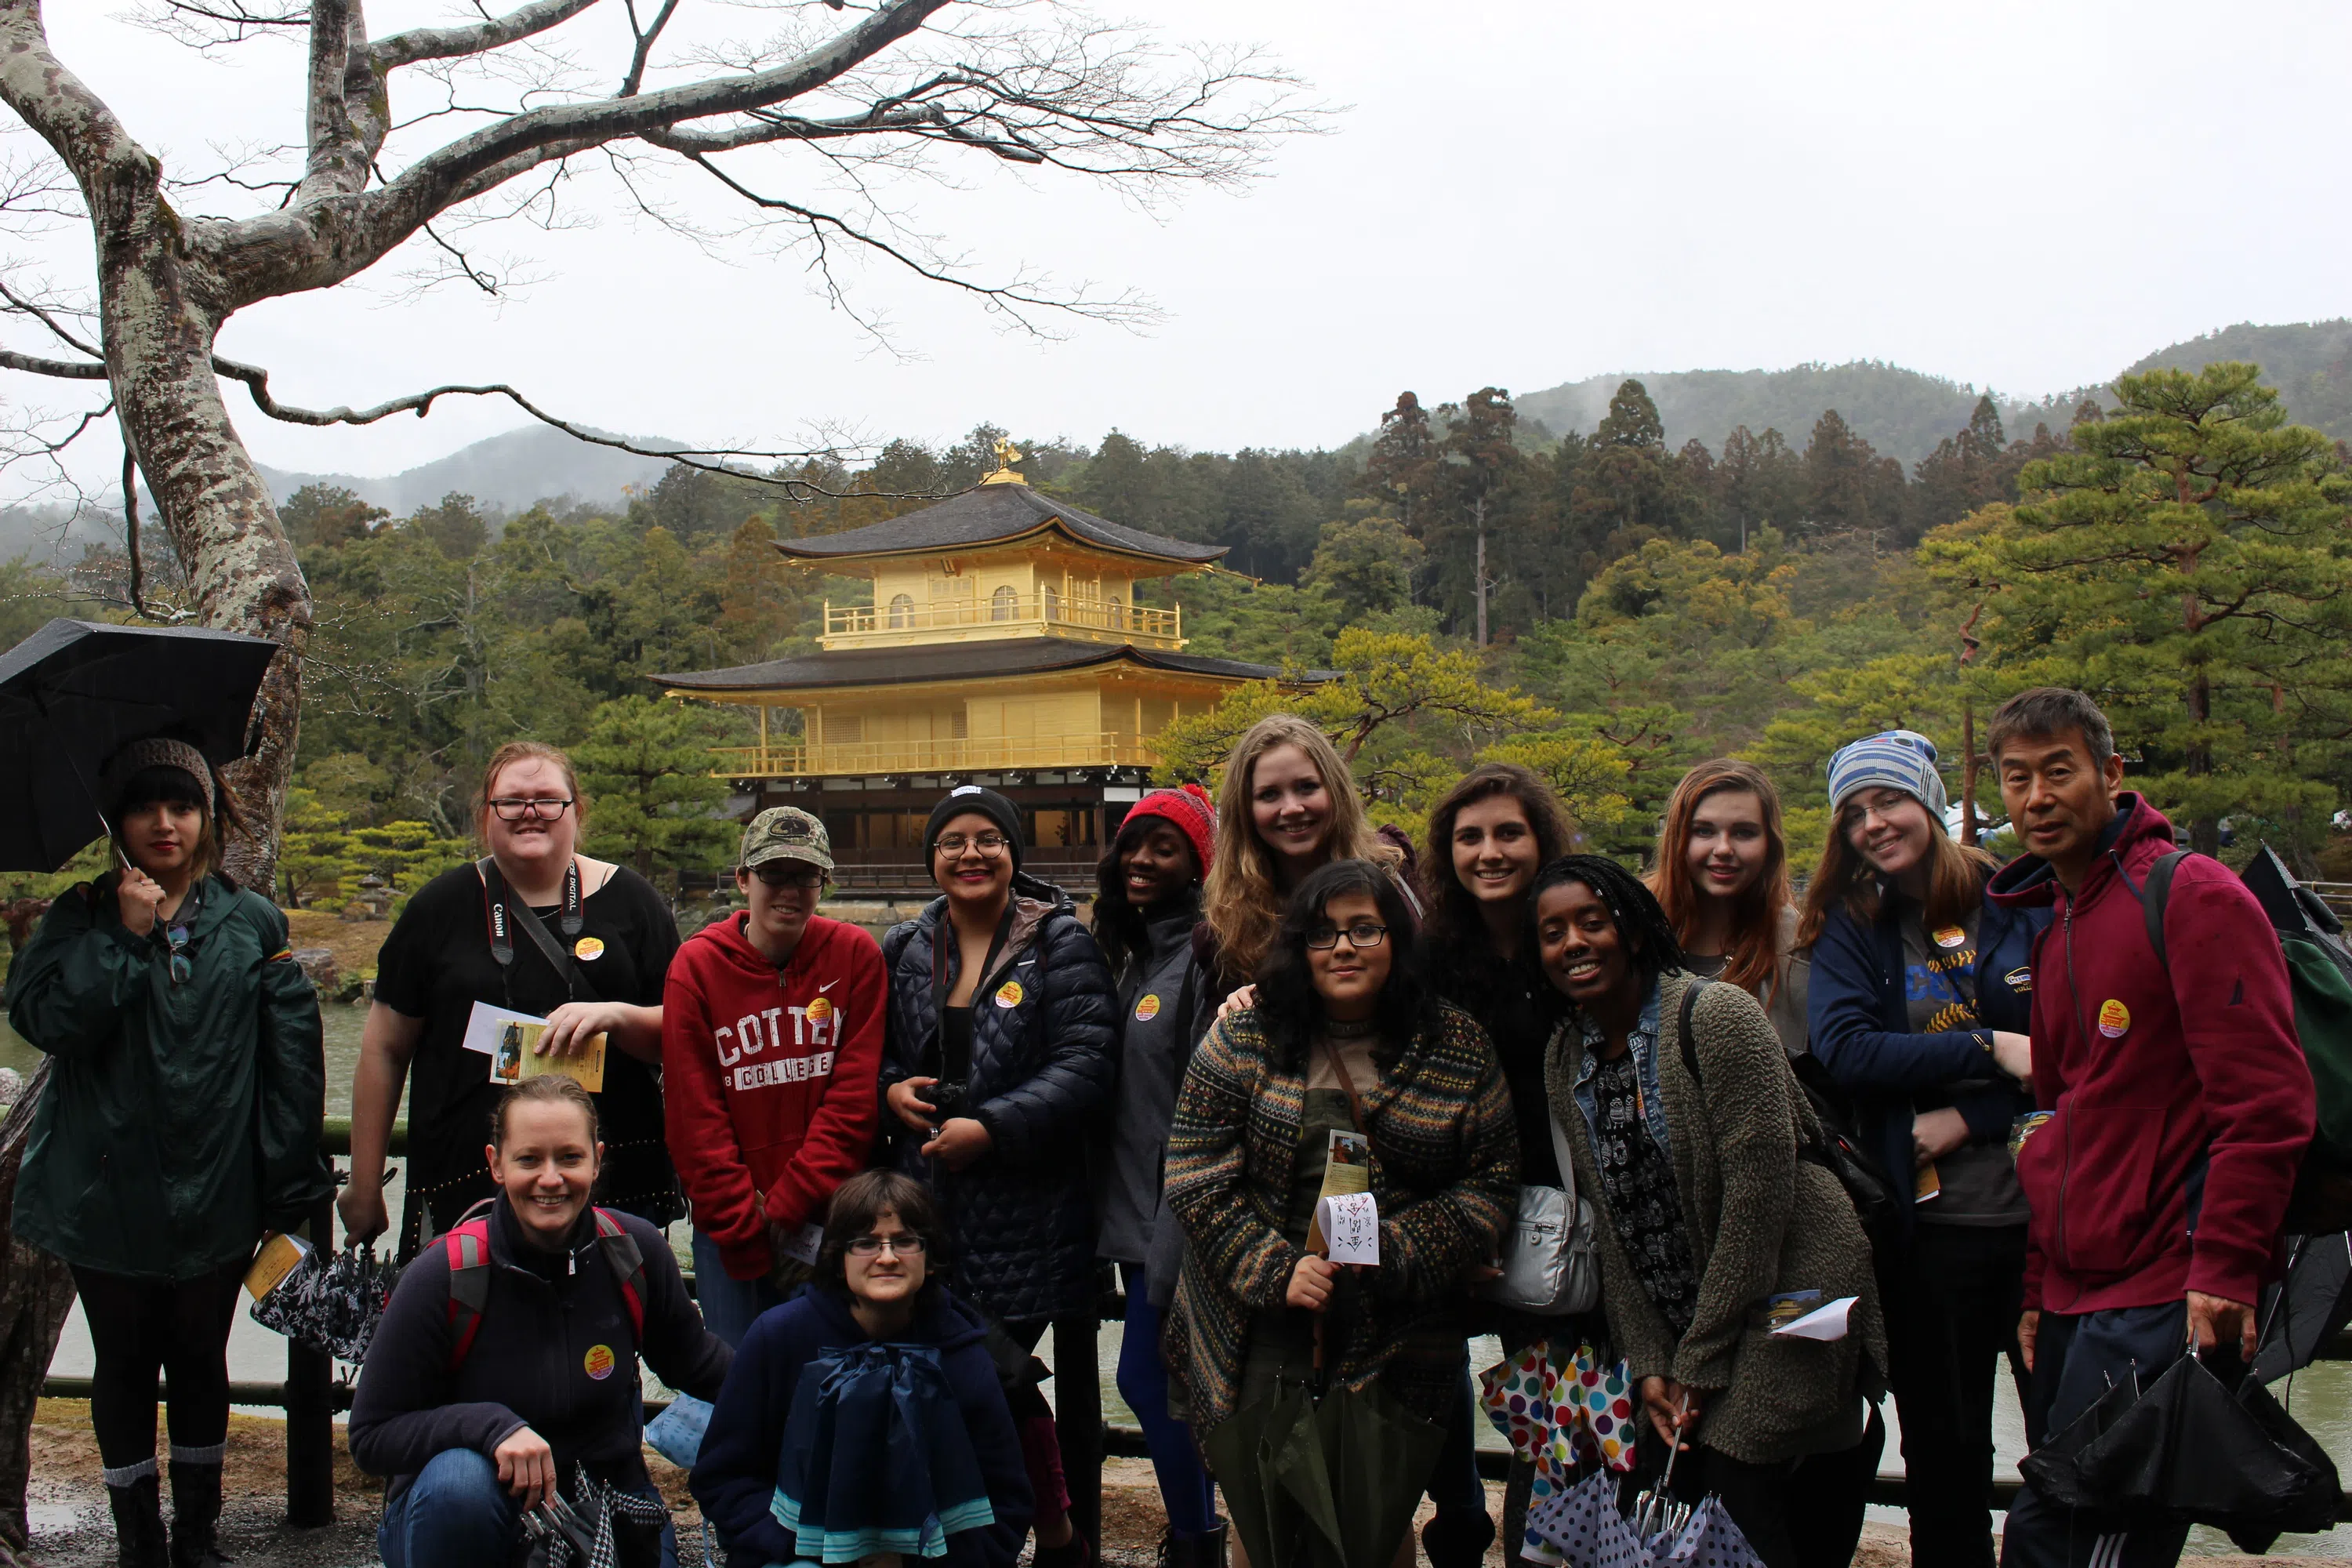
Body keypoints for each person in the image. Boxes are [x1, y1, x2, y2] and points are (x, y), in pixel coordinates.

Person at [1982, 689, 2314, 1568]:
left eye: (2060, 770)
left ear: (2112, 772)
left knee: (2090, 1542)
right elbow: (2056, 1119)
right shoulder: (2055, 927)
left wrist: (2227, 1263)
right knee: (2046, 1530)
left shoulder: (2190, 892)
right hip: (2075, 1296)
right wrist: (2036, 1282)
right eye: (2018, 778)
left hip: (2168, 1279)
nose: (2038, 797)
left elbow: (2266, 1097)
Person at [6, 737, 328, 1568]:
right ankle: (138, 1537)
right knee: (122, 1360)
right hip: (104, 1184)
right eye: (145, 806)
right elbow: (51, 1022)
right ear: (116, 820)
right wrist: (125, 933)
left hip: (218, 1182)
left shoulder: (251, 920)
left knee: (199, 1356)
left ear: (207, 818)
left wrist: (286, 1186)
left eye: (181, 805)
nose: (164, 822)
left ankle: (197, 1533)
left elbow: (290, 1059)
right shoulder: (79, 912)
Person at [1534, 855, 1885, 1568]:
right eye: (1552, 932)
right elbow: (1611, 1223)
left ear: (1632, 928)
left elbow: (1760, 1203)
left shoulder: (1715, 1013)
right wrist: (1653, 1362)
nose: (1573, 941)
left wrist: (1699, 1358)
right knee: (1678, 1480)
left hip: (1794, 1288)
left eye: (1591, 922)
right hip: (1686, 1319)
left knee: (1738, 1474)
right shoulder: (1564, 1054)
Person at [1165, 859, 1517, 1568]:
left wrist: (1398, 1249)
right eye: (1323, 934)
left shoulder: (1455, 1043)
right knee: (1262, 1506)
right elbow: (1194, 1170)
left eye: (1365, 929)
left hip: (1401, 1322)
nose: (1345, 948)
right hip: (1255, 1321)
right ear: (1299, 945)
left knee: (1379, 1508)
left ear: (1398, 939)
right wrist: (1275, 1268)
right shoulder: (1246, 1034)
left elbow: (1494, 1181)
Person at [1799, 729, 2043, 1568]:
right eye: (1854, 811)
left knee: (2072, 1447)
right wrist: (1991, 1049)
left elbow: (2076, 1046)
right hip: (1932, 1234)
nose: (1874, 822)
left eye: (1889, 799)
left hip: (2053, 1229)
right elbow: (1849, 1050)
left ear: (1930, 801)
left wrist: (1970, 1116)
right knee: (1946, 1458)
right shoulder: (1854, 925)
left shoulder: (2018, 899)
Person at [877, 784, 1116, 1568]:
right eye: (953, 842)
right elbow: (876, 1048)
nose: (971, 854)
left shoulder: (1058, 942)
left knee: (994, 1376)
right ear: (933, 857)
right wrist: (890, 1087)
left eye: (989, 839)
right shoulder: (910, 945)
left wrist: (996, 1124)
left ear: (1015, 853)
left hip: (1030, 1214)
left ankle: (1041, 1530)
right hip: (930, 1209)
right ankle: (999, 1533)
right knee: (950, 1379)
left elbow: (1086, 1062)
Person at [351, 1076, 731, 1568]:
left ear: (597, 1160)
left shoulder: (635, 1254)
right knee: (458, 1485)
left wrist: (797, 1380)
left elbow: (701, 1364)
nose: (550, 1179)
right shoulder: (443, 1274)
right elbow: (370, 1436)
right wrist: (490, 1427)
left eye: (569, 1158)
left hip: (603, 1500)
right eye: (529, 1159)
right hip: (475, 1508)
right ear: (495, 1164)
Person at [340, 741, 684, 1255]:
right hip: (466, 1181)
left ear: (576, 810)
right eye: (511, 801)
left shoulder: (632, 902)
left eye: (548, 799)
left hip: (612, 1181)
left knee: (602, 1332)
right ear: (486, 815)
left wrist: (615, 1016)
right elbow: (385, 1049)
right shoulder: (438, 910)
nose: (530, 813)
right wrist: (364, 1183)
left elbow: (684, 1034)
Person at [690, 1170, 1033, 1568]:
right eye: (866, 1243)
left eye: (905, 1242)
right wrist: (805, 1547)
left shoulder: (965, 1354)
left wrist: (913, 1562)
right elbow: (722, 1477)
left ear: (930, 1258)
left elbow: (1007, 1503)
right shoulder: (777, 1337)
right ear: (838, 1259)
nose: (887, 1258)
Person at [1415, 762, 1573, 1568]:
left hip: (1567, 1218)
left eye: (1508, 832)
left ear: (1541, 840)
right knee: (1439, 1386)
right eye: (1470, 836)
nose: (1489, 852)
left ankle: (1535, 1550)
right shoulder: (1432, 955)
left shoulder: (1578, 939)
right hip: (1461, 1208)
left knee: (1557, 1416)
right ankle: (1459, 1529)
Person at [663, 807, 887, 1346]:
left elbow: (853, 1100)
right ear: (743, 879)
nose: (789, 891)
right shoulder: (696, 968)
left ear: (824, 883)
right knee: (738, 1388)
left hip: (827, 1218)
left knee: (828, 1385)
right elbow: (694, 1114)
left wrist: (789, 1204)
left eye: (805, 876)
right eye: (773, 874)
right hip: (729, 1225)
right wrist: (743, 1217)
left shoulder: (855, 957)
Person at [1089, 784, 1225, 1568]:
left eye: (1165, 846)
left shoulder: (1201, 954)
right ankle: (1199, 1530)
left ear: (1198, 862)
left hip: (1174, 1217)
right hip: (1134, 1211)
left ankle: (1197, 1537)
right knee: (1164, 1385)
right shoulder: (1135, 950)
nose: (1142, 859)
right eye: (1133, 842)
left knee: (1147, 1380)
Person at [1200, 713, 1409, 997]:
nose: (1292, 808)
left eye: (1307, 787)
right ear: (1245, 809)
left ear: (1335, 790)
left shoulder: (1393, 871)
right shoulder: (1229, 923)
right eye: (1269, 795)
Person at [1649, 760, 1809, 1056]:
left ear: (1769, 844)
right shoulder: (1633, 927)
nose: (1723, 849)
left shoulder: (1798, 947)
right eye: (1704, 831)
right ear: (1678, 838)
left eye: (1744, 833)